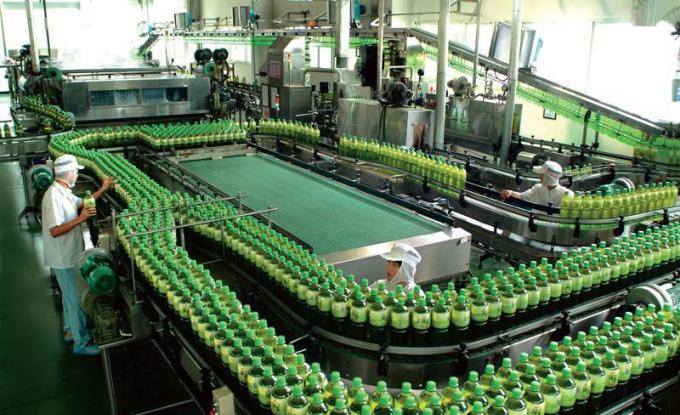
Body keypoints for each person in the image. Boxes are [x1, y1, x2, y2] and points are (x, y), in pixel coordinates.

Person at [41, 154, 115, 355]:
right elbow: (55, 230)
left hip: (68, 253)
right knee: (74, 298)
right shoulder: (54, 197)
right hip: (63, 257)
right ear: (68, 173)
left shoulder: (63, 191)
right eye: (75, 172)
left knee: (68, 296)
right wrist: (81, 219)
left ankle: (69, 331)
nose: (76, 175)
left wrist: (103, 189)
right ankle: (81, 342)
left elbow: (83, 202)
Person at [500, 160, 574, 208]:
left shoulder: (567, 194)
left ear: (547, 177)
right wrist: (510, 192)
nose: (539, 176)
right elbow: (522, 196)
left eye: (542, 174)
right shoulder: (538, 188)